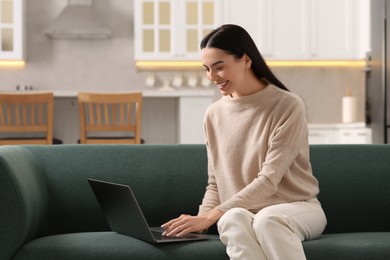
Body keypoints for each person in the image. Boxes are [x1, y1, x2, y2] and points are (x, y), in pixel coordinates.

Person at [161, 24, 327, 260]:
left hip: (297, 208)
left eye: (219, 67)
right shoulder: (213, 114)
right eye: (207, 69)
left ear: (246, 60)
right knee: (230, 218)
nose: (212, 76)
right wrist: (199, 221)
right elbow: (216, 184)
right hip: (243, 212)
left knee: (268, 219)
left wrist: (211, 216)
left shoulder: (287, 105)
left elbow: (269, 180)